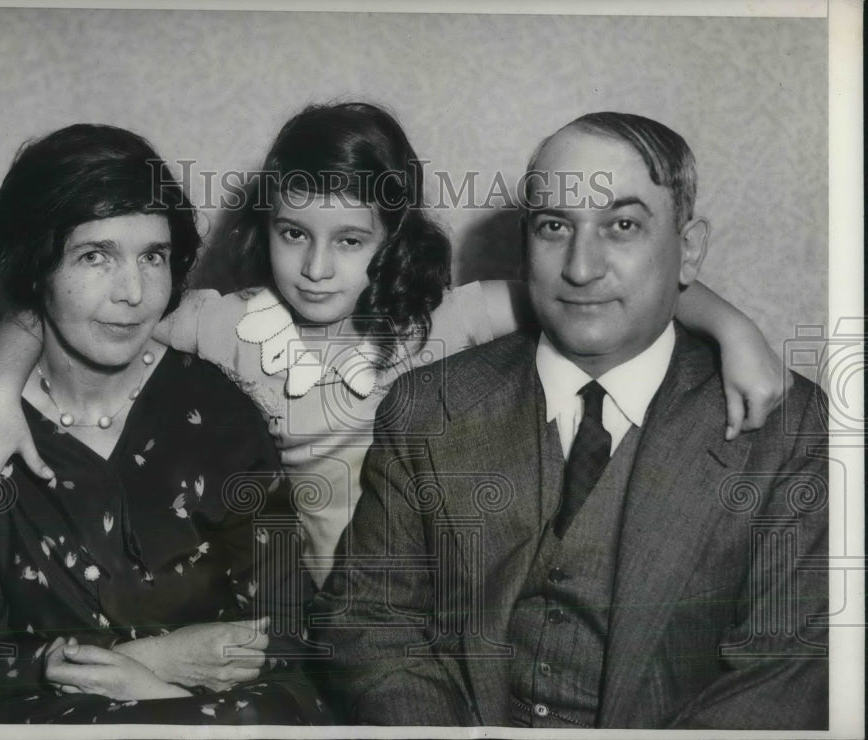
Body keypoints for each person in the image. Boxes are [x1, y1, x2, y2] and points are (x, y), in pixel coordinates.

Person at [0, 103, 787, 587]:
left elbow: (589, 292)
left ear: (392, 238)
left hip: (422, 592)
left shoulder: (440, 321)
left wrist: (733, 326)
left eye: (349, 240)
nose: (315, 269)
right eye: (292, 234)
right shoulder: (223, 321)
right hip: (289, 596)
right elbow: (72, 306)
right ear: (265, 228)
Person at [311, 112, 828, 728]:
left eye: (624, 226)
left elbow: (787, 668)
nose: (582, 268)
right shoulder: (429, 407)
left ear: (688, 250)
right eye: (555, 225)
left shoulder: (786, 430)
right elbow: (369, 624)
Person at [0, 124, 328, 724]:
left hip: (225, 707)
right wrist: (142, 662)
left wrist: (164, 698)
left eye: (153, 257)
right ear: (36, 268)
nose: (134, 292)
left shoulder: (219, 410)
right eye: (94, 256)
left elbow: (288, 626)